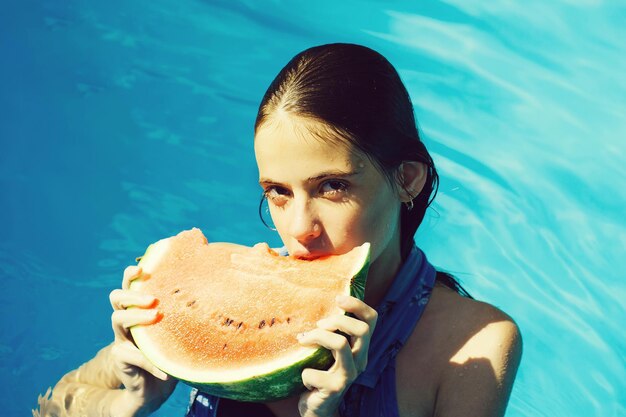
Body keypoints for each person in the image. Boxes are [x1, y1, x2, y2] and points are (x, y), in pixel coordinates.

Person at [34, 43, 522, 417]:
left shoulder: (476, 346)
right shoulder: (228, 299)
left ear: (406, 179)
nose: (299, 229)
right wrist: (130, 403)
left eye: (332, 186)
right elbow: (51, 405)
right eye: (278, 192)